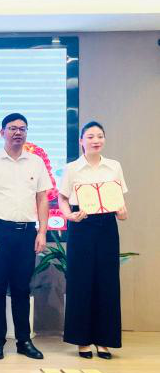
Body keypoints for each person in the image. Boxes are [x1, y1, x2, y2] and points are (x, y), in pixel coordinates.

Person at [0, 113, 51, 360]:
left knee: (21, 288)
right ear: (2, 132)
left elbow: (42, 199)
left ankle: (23, 341)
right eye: (12, 128)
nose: (18, 132)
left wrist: (42, 232)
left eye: (22, 128)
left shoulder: (36, 162)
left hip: (27, 232)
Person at [58, 121, 128, 359]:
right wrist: (68, 216)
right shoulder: (72, 168)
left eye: (99, 136)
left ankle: (104, 340)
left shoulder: (114, 166)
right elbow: (62, 199)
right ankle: (82, 341)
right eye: (90, 136)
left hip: (107, 225)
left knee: (107, 282)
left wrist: (123, 212)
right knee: (81, 281)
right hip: (81, 225)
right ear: (81, 141)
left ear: (104, 139)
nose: (95, 140)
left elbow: (119, 199)